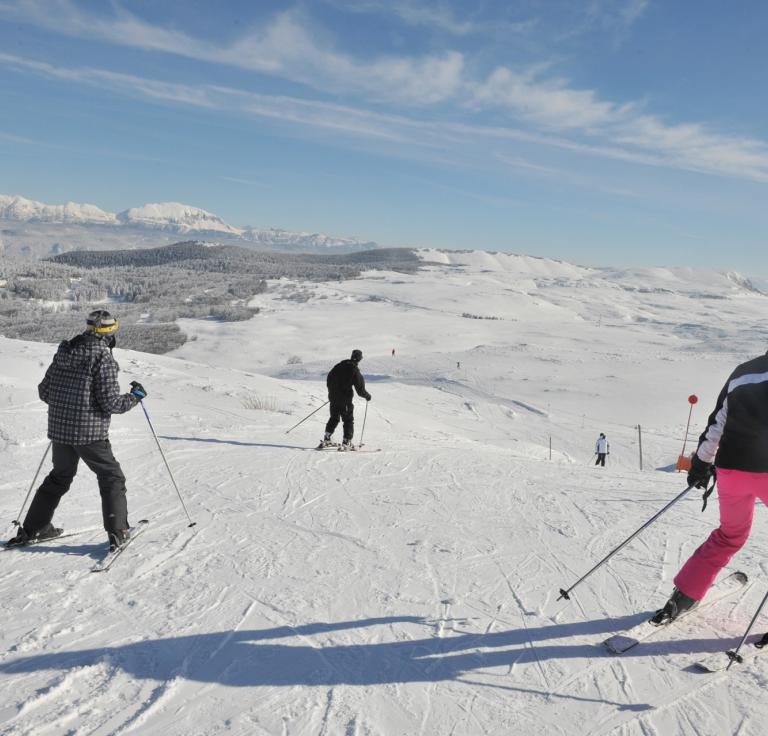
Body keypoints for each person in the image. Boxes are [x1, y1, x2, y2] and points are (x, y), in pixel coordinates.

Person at [5, 309, 147, 551]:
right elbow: (111, 403)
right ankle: (118, 532)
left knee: (59, 477)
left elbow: (45, 391)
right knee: (111, 476)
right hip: (89, 434)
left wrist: (68, 407)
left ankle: (34, 528)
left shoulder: (65, 351)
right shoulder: (102, 358)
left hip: (60, 430)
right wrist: (134, 397)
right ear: (108, 331)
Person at [651, 351, 768, 625]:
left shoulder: (742, 372)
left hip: (731, 470)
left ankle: (682, 598)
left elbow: (717, 422)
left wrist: (701, 464)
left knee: (730, 535)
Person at [318, 349, 371, 451]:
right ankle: (346, 442)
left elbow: (329, 379)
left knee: (334, 418)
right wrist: (367, 396)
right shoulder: (354, 370)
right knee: (348, 420)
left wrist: (333, 393)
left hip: (333, 398)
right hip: (345, 400)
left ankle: (327, 438)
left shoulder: (338, 366)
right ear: (359, 359)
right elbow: (360, 389)